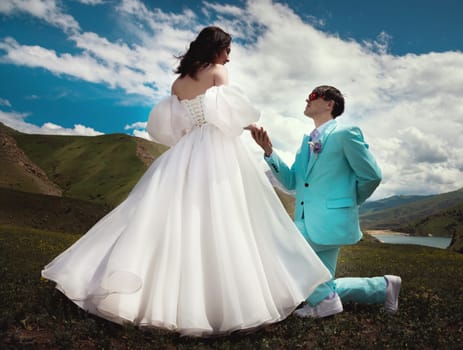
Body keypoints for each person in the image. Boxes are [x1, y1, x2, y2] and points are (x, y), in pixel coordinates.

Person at [41, 26, 331, 336]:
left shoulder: (177, 83)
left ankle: (142, 295)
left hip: (187, 149)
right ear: (216, 48)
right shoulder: (218, 73)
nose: (229, 58)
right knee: (227, 216)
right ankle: (226, 303)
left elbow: (173, 127)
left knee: (168, 217)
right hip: (216, 149)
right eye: (227, 50)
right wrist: (252, 127)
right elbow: (226, 115)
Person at [250, 85, 401, 318]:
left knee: (279, 246)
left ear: (330, 103)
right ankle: (384, 287)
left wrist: (346, 204)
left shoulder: (345, 133)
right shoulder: (306, 145)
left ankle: (325, 303)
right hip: (309, 220)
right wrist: (269, 152)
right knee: (322, 284)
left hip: (330, 220)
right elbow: (291, 182)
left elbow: (372, 175)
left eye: (313, 96)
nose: (307, 100)